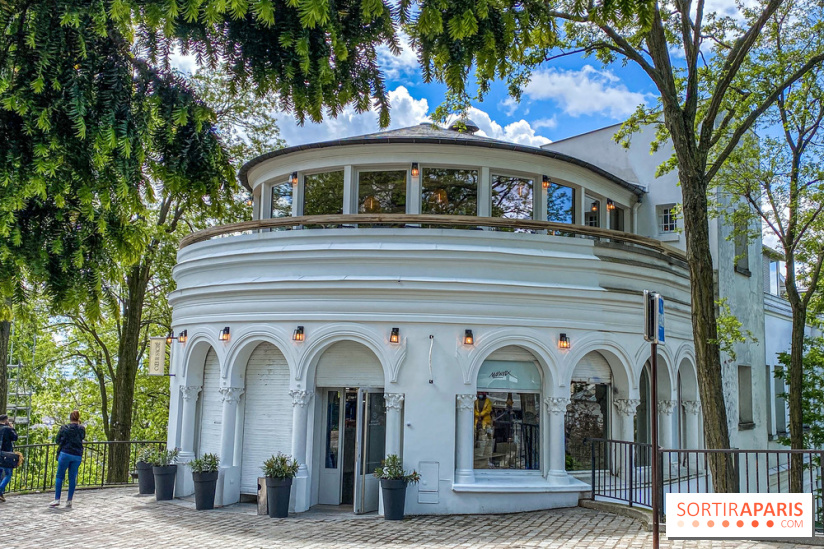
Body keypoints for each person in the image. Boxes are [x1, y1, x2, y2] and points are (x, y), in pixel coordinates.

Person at [49, 410, 85, 508]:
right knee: (72, 477)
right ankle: (69, 500)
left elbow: (57, 440)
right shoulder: (81, 428)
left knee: (60, 476)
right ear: (78, 418)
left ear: (70, 418)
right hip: (77, 454)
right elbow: (82, 437)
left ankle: (57, 499)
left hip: (65, 453)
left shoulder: (64, 428)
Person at [0, 414, 18, 502]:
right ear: (6, 420)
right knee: (8, 473)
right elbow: (15, 437)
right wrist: (12, 428)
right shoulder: (7, 429)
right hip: (6, 454)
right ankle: (0, 490)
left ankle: (1, 495)